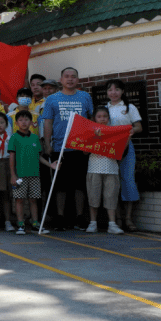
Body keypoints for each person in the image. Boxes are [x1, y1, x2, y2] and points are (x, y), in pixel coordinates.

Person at [41, 67, 93, 230]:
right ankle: (60, 217)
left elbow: (91, 121)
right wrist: (48, 144)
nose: (70, 79)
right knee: (60, 185)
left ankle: (79, 217)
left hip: (80, 148)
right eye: (67, 76)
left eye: (73, 77)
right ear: (61, 79)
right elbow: (48, 121)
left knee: (79, 185)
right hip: (59, 147)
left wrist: (89, 144)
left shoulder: (85, 97)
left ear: (78, 79)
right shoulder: (52, 99)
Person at [9, 110, 57, 235]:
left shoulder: (35, 138)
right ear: (17, 122)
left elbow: (39, 156)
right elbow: (12, 157)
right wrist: (13, 175)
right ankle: (20, 224)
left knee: (33, 199)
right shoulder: (14, 138)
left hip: (35, 175)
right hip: (20, 175)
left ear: (31, 122)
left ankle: (35, 222)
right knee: (19, 199)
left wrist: (50, 165)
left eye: (26, 120)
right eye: (21, 120)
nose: (24, 122)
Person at [104, 79, 141, 232]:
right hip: (108, 149)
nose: (113, 93)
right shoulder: (104, 108)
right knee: (112, 183)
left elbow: (138, 126)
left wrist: (131, 131)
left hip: (126, 147)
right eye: (110, 90)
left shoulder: (129, 107)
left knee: (128, 180)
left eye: (117, 89)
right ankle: (116, 219)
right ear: (107, 92)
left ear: (123, 92)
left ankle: (128, 219)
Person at [85, 107, 125, 235]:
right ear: (94, 119)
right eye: (99, 116)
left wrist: (127, 138)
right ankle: (93, 223)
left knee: (111, 196)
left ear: (108, 118)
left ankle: (112, 224)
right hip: (94, 168)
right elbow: (85, 151)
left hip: (111, 169)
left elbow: (120, 152)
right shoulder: (90, 132)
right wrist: (95, 137)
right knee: (93, 196)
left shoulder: (114, 132)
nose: (102, 119)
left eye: (105, 116)